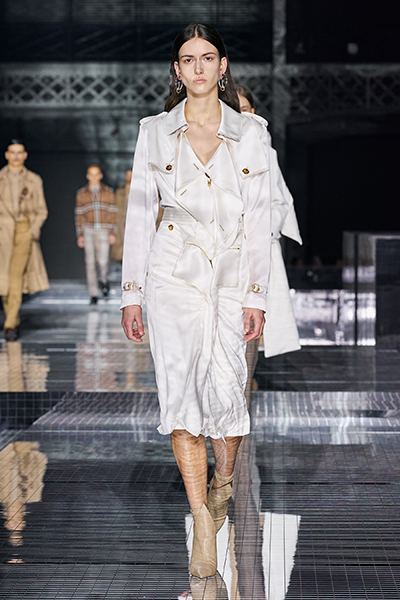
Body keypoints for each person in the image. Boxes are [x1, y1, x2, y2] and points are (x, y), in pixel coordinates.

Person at [121, 24, 272, 579]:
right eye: (189, 60)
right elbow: (140, 212)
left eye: (208, 58)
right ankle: (201, 521)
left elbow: (260, 218)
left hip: (231, 275)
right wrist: (132, 293)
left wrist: (257, 295)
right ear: (177, 70)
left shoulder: (250, 131)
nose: (199, 68)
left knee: (229, 393)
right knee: (180, 394)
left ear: (222, 66)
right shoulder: (155, 132)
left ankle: (223, 482)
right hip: (172, 274)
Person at [236, 85, 303, 401]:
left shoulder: (265, 149)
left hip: (254, 249)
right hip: (216, 249)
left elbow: (280, 200)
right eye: (233, 108)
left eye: (244, 109)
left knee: (249, 321)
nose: (240, 115)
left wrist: (263, 229)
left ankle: (242, 400)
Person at [0, 140, 49, 342]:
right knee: (4, 278)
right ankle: (13, 317)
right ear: (6, 155)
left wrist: (32, 231)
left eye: (19, 152)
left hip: (23, 230)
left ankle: (10, 323)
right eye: (13, 152)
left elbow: (41, 210)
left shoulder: (33, 179)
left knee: (15, 276)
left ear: (25, 155)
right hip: (2, 231)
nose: (16, 156)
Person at [75, 165, 117, 304]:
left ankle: (104, 281)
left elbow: (113, 212)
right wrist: (80, 234)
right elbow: (79, 215)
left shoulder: (109, 192)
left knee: (103, 261)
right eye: (91, 174)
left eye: (96, 174)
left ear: (100, 175)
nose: (93, 177)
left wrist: (113, 232)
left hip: (104, 230)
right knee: (90, 263)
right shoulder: (81, 193)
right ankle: (93, 293)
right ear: (87, 176)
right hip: (88, 230)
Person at [111, 169, 132, 261]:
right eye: (128, 175)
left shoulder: (141, 191)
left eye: (132, 175)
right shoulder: (120, 191)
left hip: (135, 221)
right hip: (121, 219)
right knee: (120, 241)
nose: (130, 177)